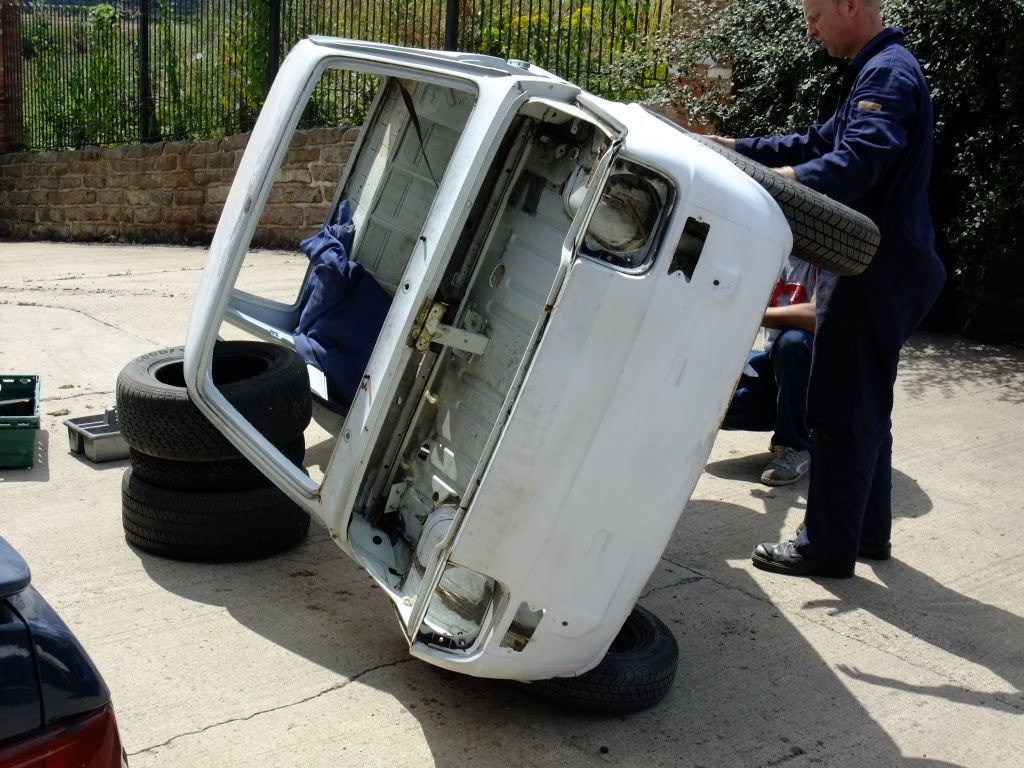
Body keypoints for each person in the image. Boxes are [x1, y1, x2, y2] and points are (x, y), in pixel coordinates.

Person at [711, 0, 946, 578]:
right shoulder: (878, 68)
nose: (810, 28)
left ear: (850, 5)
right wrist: (730, 149)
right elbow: (816, 142)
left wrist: (768, 186)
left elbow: (855, 163)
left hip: (875, 267)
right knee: (865, 402)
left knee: (839, 407)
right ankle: (865, 533)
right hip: (890, 264)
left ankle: (825, 547)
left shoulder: (888, 73)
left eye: (816, 15)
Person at [722, 256, 819, 486]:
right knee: (720, 401)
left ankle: (795, 444)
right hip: (778, 364)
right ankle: (798, 426)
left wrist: (751, 315)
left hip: (825, 373)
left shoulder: (830, 255)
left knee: (794, 343)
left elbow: (818, 316)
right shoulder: (773, 249)